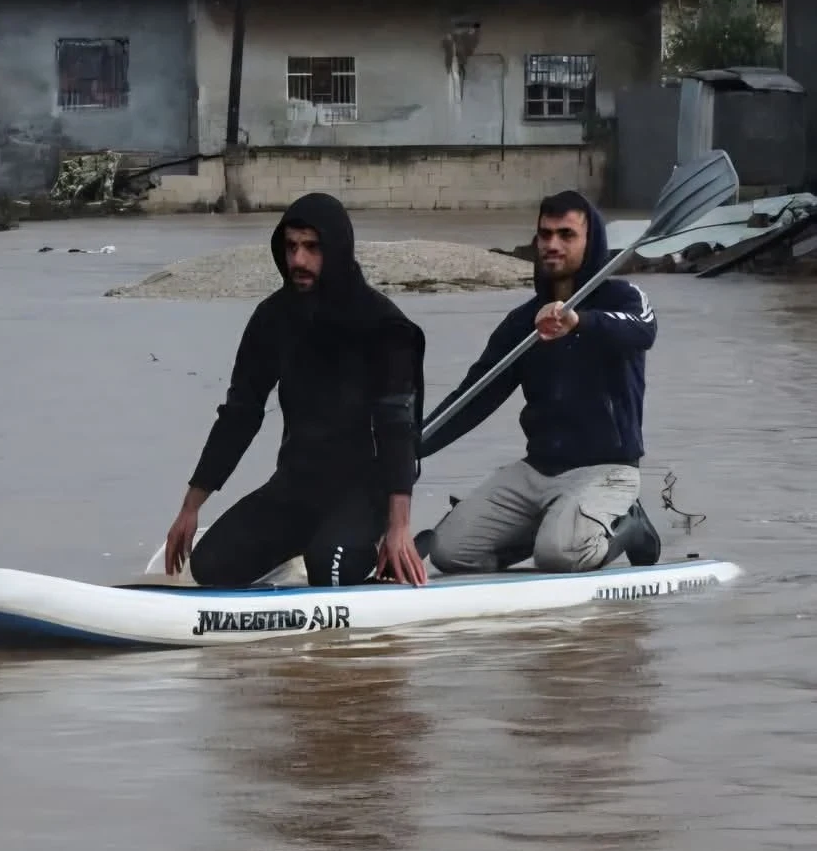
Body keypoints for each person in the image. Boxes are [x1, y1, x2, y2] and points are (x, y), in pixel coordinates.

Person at [163, 194, 428, 589]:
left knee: (330, 571)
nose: (298, 261)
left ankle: (372, 557)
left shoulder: (384, 326)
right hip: (296, 486)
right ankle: (301, 557)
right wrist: (190, 507)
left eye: (311, 248)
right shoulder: (273, 318)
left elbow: (396, 427)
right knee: (211, 568)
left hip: (363, 492)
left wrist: (398, 526)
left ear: (336, 250)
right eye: (290, 247)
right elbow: (240, 413)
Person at [419, 190, 661, 573]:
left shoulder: (624, 298)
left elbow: (643, 332)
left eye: (566, 235)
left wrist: (579, 322)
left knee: (560, 555)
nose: (552, 244)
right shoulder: (523, 322)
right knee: (450, 552)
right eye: (545, 234)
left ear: (591, 241)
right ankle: (552, 530)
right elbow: (475, 396)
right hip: (536, 471)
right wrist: (414, 447)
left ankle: (628, 524)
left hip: (606, 471)